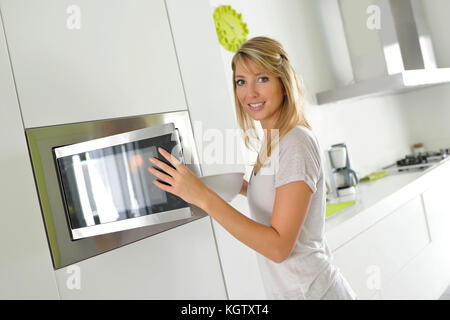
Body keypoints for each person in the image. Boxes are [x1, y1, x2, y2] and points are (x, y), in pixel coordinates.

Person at [148, 36, 356, 300]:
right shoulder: (274, 140)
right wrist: (237, 187)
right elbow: (279, 193)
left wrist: (204, 197)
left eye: (262, 78)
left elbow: (279, 246)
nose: (250, 93)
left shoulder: (295, 142)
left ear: (283, 81)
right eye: (241, 82)